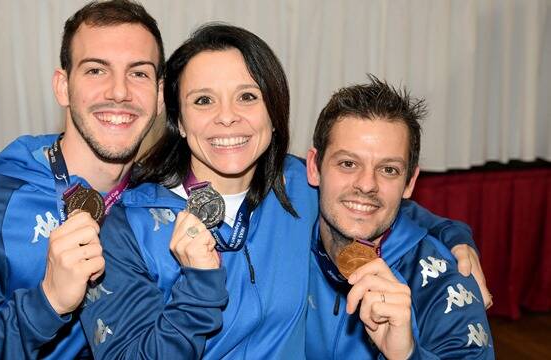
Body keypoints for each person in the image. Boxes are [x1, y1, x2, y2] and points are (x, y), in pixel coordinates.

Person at [79, 24, 485, 359]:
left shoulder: (297, 187)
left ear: (273, 112)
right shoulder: (127, 228)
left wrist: (454, 236)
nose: (227, 117)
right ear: (180, 121)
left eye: (247, 97)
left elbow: (371, 198)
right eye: (203, 100)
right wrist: (198, 290)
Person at [0, 1, 164, 358]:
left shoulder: (165, 204)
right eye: (95, 71)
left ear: (160, 94)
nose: (119, 92)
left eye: (138, 73)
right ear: (62, 86)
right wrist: (47, 302)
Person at [305, 75, 494, 359]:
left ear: (409, 182)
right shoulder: (284, 220)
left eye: (389, 170)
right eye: (347, 163)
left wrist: (406, 355)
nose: (367, 184)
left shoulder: (445, 282)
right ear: (314, 168)